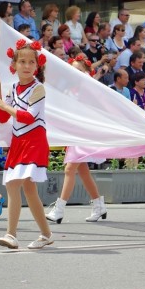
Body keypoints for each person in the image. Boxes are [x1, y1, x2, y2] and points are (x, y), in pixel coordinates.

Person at [0, 39, 53, 249]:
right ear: (14, 65)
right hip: (18, 141)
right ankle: (45, 234)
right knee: (28, 188)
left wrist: (3, 105)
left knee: (14, 184)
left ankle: (11, 234)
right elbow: (2, 118)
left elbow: (28, 117)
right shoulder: (13, 89)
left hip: (34, 140)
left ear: (37, 66)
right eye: (22, 62)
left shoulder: (38, 88)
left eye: (31, 62)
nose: (27, 66)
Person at [45, 57, 107, 224]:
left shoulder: (89, 87)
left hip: (86, 133)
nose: (75, 73)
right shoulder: (71, 89)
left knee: (69, 169)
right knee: (83, 171)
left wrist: (89, 78)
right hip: (75, 133)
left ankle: (59, 209)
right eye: (72, 70)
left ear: (86, 72)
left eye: (79, 70)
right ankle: (99, 206)